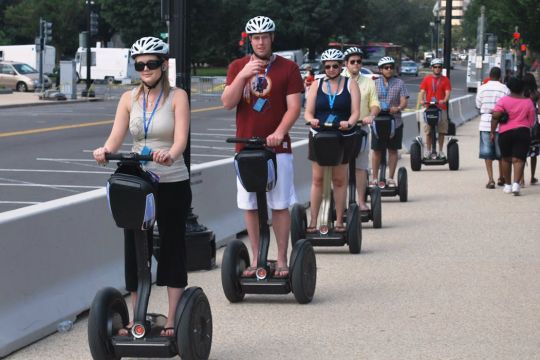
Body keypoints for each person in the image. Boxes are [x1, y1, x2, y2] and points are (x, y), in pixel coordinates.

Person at [93, 36, 191, 337]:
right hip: (139, 181)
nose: (145, 69)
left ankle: (174, 319)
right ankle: (138, 316)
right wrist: (105, 150)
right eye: (139, 64)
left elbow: (180, 141)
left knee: (173, 243)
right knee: (136, 246)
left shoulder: (178, 97)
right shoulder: (128, 99)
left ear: (163, 65)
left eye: (151, 63)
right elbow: (116, 136)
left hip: (171, 178)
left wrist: (170, 155)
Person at [221, 16, 303, 278]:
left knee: (279, 204)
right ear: (249, 40)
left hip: (277, 149)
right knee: (250, 205)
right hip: (245, 148)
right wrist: (243, 75)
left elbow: (294, 107)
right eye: (255, 37)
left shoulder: (288, 68)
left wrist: (279, 132)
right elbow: (227, 102)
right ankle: (257, 257)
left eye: (264, 37)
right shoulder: (237, 66)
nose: (260, 42)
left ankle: (280, 259)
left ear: (272, 38)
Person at [304, 48, 360, 232]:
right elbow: (308, 111)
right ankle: (313, 220)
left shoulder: (350, 84)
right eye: (327, 66)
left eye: (335, 66)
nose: (331, 69)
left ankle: (339, 221)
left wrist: (349, 123)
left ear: (341, 65)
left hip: (342, 136)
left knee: (339, 179)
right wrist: (311, 120)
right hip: (319, 135)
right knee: (318, 179)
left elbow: (355, 112)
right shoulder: (316, 85)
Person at [342, 47, 380, 211]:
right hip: (341, 130)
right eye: (352, 62)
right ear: (346, 63)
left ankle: (362, 202)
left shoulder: (368, 81)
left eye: (358, 61)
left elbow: (375, 103)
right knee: (341, 168)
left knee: (360, 167)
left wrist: (371, 115)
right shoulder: (339, 79)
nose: (356, 64)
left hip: (361, 128)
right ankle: (340, 205)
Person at [491, 77, 537, 195]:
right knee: (519, 159)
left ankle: (507, 185)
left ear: (509, 88)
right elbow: (532, 121)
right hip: (523, 132)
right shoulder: (528, 102)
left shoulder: (503, 101)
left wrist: (492, 132)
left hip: (505, 132)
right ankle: (516, 184)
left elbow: (495, 116)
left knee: (506, 158)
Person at [372, 56, 409, 187]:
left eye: (391, 67)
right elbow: (370, 100)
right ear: (380, 69)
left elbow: (404, 101)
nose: (389, 70)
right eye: (386, 68)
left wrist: (398, 107)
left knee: (392, 150)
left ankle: (391, 178)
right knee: (377, 150)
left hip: (395, 122)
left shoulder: (400, 83)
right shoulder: (375, 83)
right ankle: (375, 178)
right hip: (377, 121)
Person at [475, 67, 509, 189]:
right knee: (501, 153)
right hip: (501, 124)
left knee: (487, 153)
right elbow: (508, 106)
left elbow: (478, 104)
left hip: (485, 122)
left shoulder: (482, 88)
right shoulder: (505, 89)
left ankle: (491, 179)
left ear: (489, 75)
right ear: (500, 76)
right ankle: (502, 177)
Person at [417, 58, 452, 158]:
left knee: (442, 130)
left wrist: (444, 100)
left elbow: (447, 92)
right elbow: (422, 91)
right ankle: (428, 150)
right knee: (428, 131)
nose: (437, 69)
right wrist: (421, 100)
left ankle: (440, 151)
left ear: (441, 68)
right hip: (429, 108)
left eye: (439, 67)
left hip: (441, 108)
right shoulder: (427, 79)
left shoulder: (445, 80)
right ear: (432, 68)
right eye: (435, 67)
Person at [523, 73, 540, 185]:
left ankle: (521, 179)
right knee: (534, 153)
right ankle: (532, 177)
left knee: (521, 152)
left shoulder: (521, 93)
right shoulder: (536, 94)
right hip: (534, 125)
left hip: (522, 123)